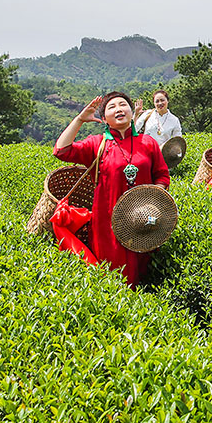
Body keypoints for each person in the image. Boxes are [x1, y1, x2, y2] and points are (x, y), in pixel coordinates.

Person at [54, 91, 170, 287]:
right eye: (111, 107)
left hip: (144, 221)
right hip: (108, 226)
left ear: (131, 111)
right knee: (115, 279)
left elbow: (162, 175)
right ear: (104, 118)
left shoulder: (147, 143)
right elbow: (61, 150)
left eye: (123, 104)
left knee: (146, 275)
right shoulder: (97, 144)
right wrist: (80, 119)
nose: (118, 109)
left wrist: (155, 202)